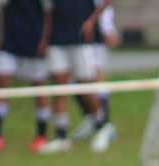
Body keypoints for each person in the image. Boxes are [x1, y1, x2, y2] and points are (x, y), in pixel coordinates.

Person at [0, 0, 53, 153]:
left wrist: (45, 39)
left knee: (39, 85)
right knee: (1, 82)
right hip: (11, 40)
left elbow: (50, 13)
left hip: (34, 39)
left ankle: (42, 134)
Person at [39, 0, 114, 154]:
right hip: (57, 39)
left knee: (86, 85)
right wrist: (45, 38)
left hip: (80, 39)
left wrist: (92, 21)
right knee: (59, 86)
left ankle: (101, 126)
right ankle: (61, 136)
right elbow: (48, 13)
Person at [69, 0, 119, 143]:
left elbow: (105, 3)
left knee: (94, 75)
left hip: (93, 31)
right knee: (74, 77)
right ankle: (91, 118)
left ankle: (105, 124)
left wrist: (106, 28)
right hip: (72, 29)